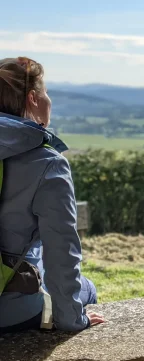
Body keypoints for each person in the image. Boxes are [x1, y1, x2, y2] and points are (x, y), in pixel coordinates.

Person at [0, 57, 105, 333]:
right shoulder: (48, 163)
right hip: (8, 307)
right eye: (46, 93)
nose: (49, 100)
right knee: (87, 288)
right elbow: (62, 252)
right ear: (33, 99)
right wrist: (72, 320)